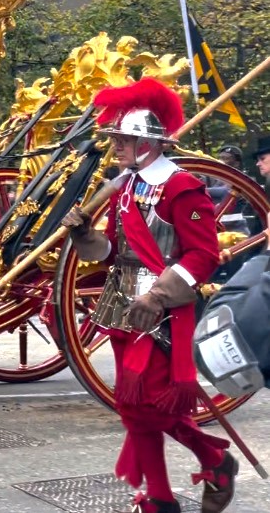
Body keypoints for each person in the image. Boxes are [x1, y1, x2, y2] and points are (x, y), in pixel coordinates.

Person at [61, 78, 236, 513]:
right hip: (121, 302)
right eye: (115, 139)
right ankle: (163, 495)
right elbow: (115, 252)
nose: (115, 146)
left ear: (148, 143)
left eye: (123, 139)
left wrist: (157, 296)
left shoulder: (182, 188)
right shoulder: (126, 186)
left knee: (151, 406)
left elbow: (202, 255)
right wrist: (85, 236)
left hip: (163, 308)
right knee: (132, 407)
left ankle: (210, 462)